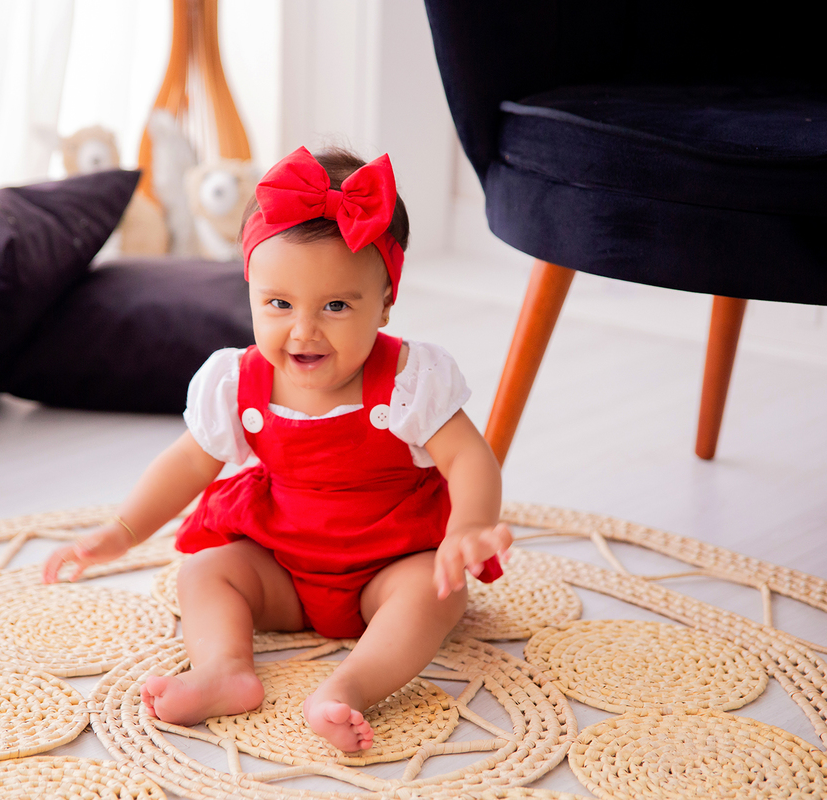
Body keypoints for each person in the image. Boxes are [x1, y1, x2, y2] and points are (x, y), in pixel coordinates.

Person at [43, 145, 512, 753]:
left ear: (387, 301)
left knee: (433, 591)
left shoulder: (408, 379)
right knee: (207, 570)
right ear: (251, 294)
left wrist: (469, 527)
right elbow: (189, 461)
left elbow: (468, 457)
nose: (304, 330)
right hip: (284, 568)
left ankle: (349, 686)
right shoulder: (238, 383)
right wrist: (123, 530)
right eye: (279, 304)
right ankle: (224, 669)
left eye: (336, 306)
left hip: (387, 566)